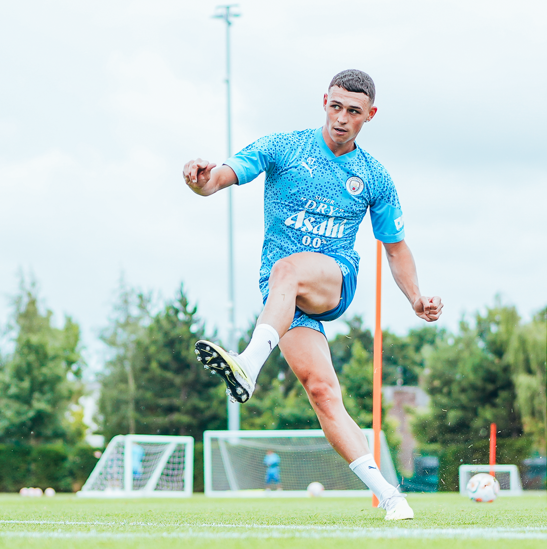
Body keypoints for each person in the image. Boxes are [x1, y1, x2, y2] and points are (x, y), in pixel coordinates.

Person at [182, 69, 442, 521]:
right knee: (322, 391)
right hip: (281, 300)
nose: (341, 118)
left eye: (353, 111)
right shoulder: (285, 147)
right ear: (324, 101)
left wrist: (416, 297)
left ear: (370, 115)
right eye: (335, 106)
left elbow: (395, 248)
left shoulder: (373, 176)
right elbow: (220, 178)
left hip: (333, 279)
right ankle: (391, 497)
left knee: (289, 267)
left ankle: (247, 364)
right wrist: (199, 180)